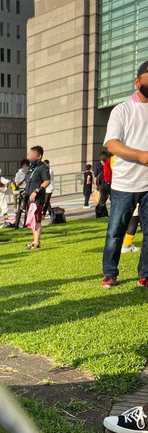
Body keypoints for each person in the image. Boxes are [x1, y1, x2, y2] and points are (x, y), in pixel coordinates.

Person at [101, 61, 148, 288]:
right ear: (137, 81)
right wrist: (140, 155)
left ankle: (145, 274)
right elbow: (112, 144)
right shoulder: (122, 110)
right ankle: (110, 272)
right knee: (115, 232)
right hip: (124, 184)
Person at [24, 145, 51, 251]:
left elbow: (47, 181)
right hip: (29, 198)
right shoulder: (32, 168)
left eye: (31, 155)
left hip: (37, 199)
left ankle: (36, 242)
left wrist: (36, 191)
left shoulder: (43, 167)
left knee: (36, 220)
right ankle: (35, 241)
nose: (29, 157)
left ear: (39, 156)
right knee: (32, 220)